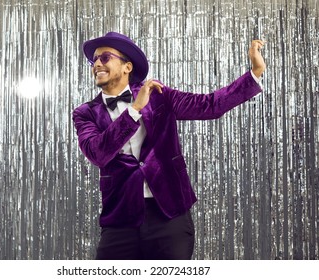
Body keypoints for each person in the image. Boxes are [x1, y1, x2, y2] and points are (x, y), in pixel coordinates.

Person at [72, 32, 266, 260]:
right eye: (93, 60)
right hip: (120, 217)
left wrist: (255, 72)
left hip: (169, 213)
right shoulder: (84, 113)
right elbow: (97, 153)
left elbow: (210, 105)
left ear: (127, 67)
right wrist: (134, 110)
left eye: (104, 57)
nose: (97, 64)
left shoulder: (158, 95)